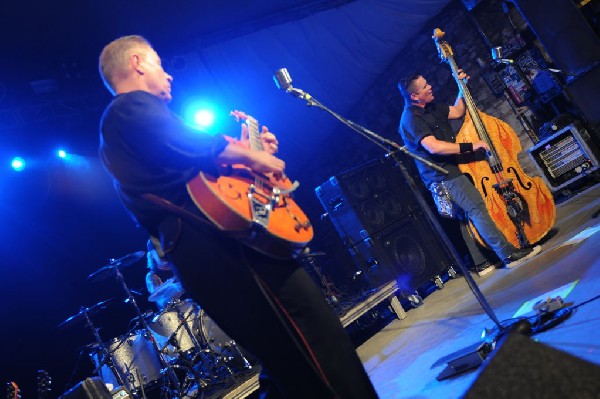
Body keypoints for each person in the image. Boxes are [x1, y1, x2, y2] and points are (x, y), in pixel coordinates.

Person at [98, 35, 378, 398]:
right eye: (158, 64)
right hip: (220, 249)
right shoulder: (128, 109)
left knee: (295, 359)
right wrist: (252, 156)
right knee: (315, 344)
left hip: (222, 246)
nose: (167, 75)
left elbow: (205, 178)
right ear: (137, 63)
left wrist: (249, 156)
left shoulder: (139, 127)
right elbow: (198, 149)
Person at [397, 71, 542, 275]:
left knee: (467, 216)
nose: (430, 87)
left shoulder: (431, 107)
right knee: (477, 209)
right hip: (443, 175)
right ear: (414, 96)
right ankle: (508, 255)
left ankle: (481, 262)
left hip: (452, 170)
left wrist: (461, 86)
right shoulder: (411, 118)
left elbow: (457, 111)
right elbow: (434, 147)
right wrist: (471, 146)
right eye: (424, 86)